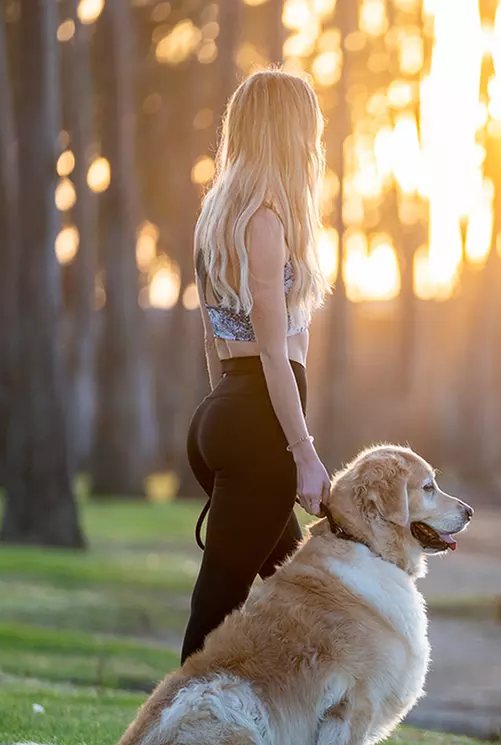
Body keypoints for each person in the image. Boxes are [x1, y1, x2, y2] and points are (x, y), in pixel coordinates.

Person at [181, 69, 333, 662]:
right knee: (217, 608)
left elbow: (212, 341)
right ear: (287, 134)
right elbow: (273, 351)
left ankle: (307, 707)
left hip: (224, 412)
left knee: (302, 593)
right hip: (258, 424)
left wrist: (226, 419)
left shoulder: (215, 218)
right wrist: (304, 453)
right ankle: (170, 720)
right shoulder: (265, 223)